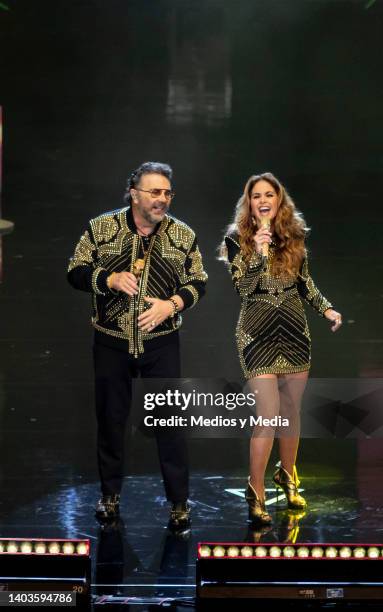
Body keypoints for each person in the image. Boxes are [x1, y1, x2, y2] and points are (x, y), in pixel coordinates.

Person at [68, 161, 207, 529]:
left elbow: (198, 282)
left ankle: (179, 502)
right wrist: (108, 279)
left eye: (167, 193)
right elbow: (75, 270)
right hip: (111, 342)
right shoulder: (102, 228)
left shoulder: (182, 235)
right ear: (134, 194)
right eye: (154, 192)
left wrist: (171, 305)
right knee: (112, 422)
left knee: (170, 423)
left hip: (161, 344)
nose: (162, 199)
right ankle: (109, 496)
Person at [221, 172, 342, 525]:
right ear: (249, 202)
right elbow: (244, 288)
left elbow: (305, 284)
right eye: (256, 195)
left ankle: (288, 476)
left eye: (269, 194)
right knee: (269, 414)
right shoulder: (236, 239)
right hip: (256, 334)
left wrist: (327, 309)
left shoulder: (294, 237)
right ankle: (255, 490)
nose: (262, 200)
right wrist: (258, 252)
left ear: (278, 200)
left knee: (291, 411)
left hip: (293, 331)